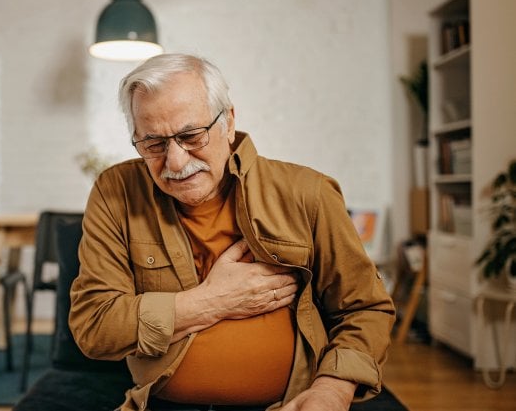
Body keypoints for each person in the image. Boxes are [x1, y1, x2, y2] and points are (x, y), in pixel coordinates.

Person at [68, 53, 395, 411]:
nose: (175, 162)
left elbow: (366, 309)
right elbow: (95, 327)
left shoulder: (307, 192)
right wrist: (213, 300)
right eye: (154, 144)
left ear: (228, 123)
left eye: (191, 136)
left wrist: (331, 392)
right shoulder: (116, 192)